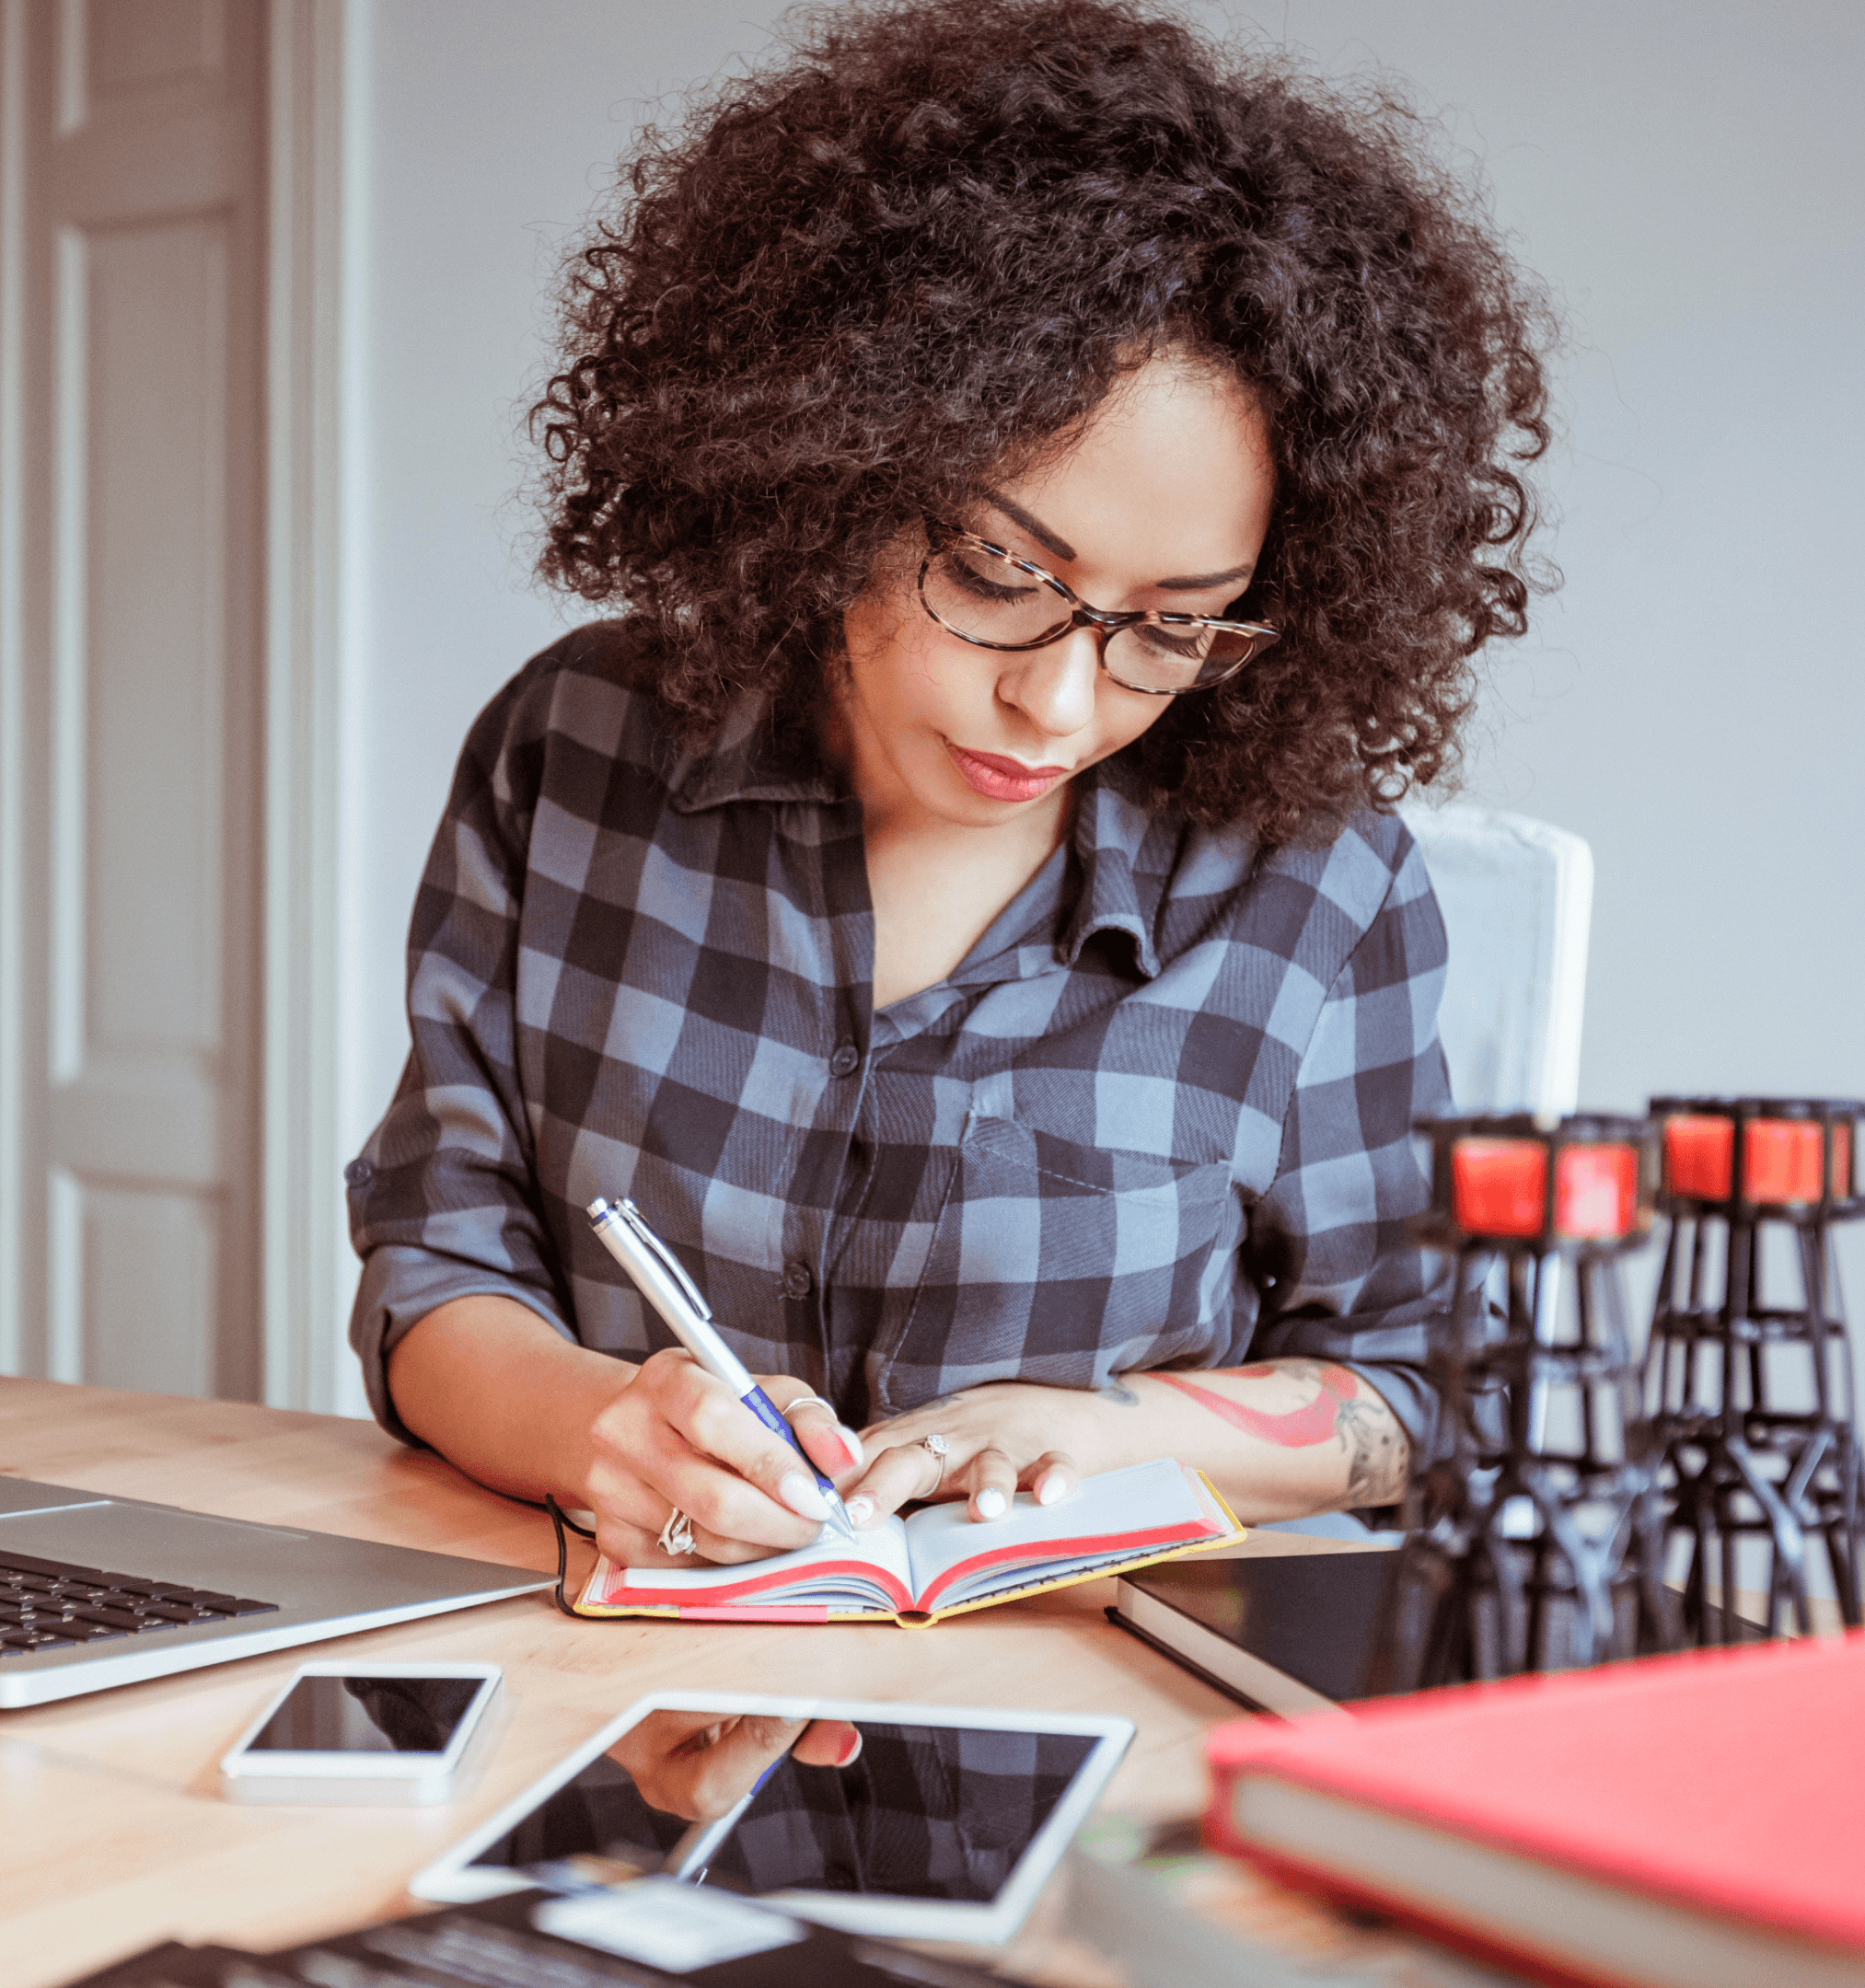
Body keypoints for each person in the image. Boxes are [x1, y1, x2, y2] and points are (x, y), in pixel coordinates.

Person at [344, 0, 1550, 1570]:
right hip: (617, 1685)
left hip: (1079, 1730)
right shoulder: (573, 747)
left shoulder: (1311, 880)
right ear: (830, 465)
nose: (1057, 701)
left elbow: (1434, 1376)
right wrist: (601, 1430)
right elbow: (438, 1264)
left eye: (1172, 629)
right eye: (996, 572)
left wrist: (1124, 1434)